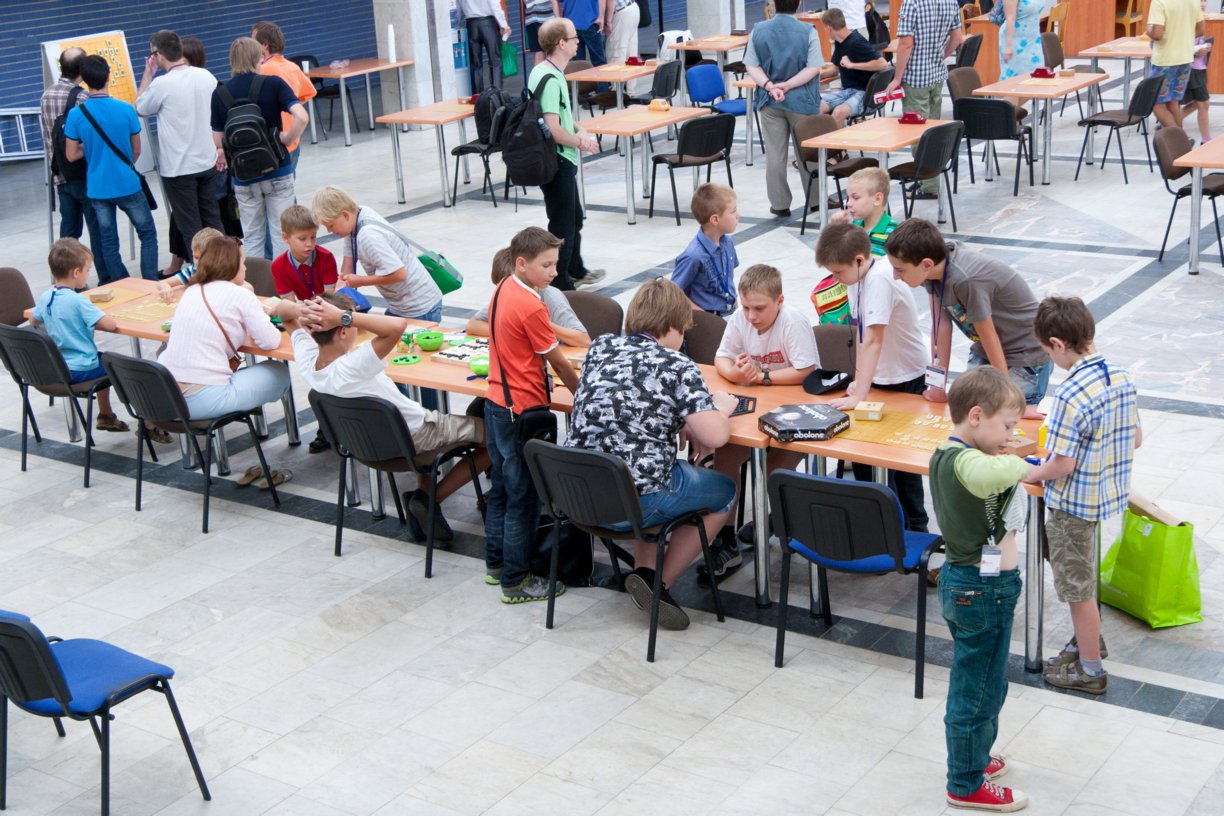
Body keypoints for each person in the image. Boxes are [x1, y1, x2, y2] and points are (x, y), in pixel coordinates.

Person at [568, 278, 739, 629]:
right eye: (684, 331)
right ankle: (658, 582)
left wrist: (679, 418)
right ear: (673, 326)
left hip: (581, 494)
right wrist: (720, 407)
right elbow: (717, 436)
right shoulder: (677, 365)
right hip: (636, 502)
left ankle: (644, 571)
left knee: (644, 469)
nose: (684, 338)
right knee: (724, 492)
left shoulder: (600, 347)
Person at [279, 293, 492, 543]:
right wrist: (341, 316)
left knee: (425, 416)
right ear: (343, 330)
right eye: (351, 321)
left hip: (368, 446)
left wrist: (309, 311)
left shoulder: (308, 362)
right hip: (418, 434)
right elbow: (397, 326)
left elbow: (283, 311)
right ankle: (430, 499)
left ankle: (422, 502)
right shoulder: (353, 365)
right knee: (501, 436)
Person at [1025, 296, 1141, 695]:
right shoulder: (1120, 375)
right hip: (1105, 493)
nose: (1049, 357)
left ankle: (1090, 670)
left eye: (1047, 351)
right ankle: (1090, 642)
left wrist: (1029, 471)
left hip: (1072, 504)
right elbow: (1136, 437)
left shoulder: (1071, 393)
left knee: (1078, 590)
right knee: (1083, 578)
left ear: (1058, 344)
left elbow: (1062, 464)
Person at [930, 366, 1032, 813]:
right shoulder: (967, 462)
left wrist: (1006, 450)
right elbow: (994, 475)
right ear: (975, 416)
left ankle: (975, 757)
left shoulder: (953, 452)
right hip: (981, 589)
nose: (1010, 436)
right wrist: (1026, 461)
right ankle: (965, 783)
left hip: (977, 586)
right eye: (1006, 426)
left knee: (987, 680)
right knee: (977, 691)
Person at [484, 227, 581, 603]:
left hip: (496, 402)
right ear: (521, 263)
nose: (554, 272)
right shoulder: (530, 304)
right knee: (523, 499)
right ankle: (515, 580)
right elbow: (558, 360)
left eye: (555, 264)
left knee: (501, 490)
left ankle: (496, 564)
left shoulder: (502, 289)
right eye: (546, 265)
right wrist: (582, 394)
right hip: (522, 411)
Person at [817, 223, 930, 532]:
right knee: (872, 458)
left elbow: (875, 339)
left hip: (904, 376)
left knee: (900, 461)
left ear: (858, 260)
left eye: (838, 272)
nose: (835, 279)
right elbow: (861, 333)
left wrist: (859, 393)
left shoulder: (879, 279)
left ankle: (911, 529)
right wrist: (860, 379)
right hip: (882, 375)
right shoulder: (856, 278)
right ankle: (888, 527)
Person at [708, 264, 819, 578]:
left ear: (779, 301)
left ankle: (783, 522)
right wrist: (734, 373)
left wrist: (762, 377)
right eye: (746, 307)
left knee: (774, 470)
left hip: (798, 414)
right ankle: (726, 537)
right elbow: (721, 357)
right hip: (758, 407)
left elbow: (806, 371)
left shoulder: (792, 322)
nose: (751, 316)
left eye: (759, 308)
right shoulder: (740, 318)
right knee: (725, 455)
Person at [884, 219, 1051, 415]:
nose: (895, 276)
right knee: (970, 411)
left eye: (900, 269)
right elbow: (940, 327)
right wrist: (937, 386)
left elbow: (989, 335)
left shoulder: (966, 280)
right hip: (987, 349)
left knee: (1004, 415)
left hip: (1024, 354)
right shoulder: (931, 270)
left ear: (926, 264)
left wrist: (1007, 396)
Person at [157, 235, 291, 428]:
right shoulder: (241, 295)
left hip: (166, 398)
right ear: (233, 265)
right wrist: (272, 313)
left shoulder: (191, 291)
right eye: (242, 263)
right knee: (279, 372)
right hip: (202, 399)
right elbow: (270, 341)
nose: (245, 268)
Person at [211, 37, 308, 260]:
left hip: (243, 176)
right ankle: (283, 281)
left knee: (252, 236)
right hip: (277, 168)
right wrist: (287, 138)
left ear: (231, 61)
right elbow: (302, 117)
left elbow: (218, 140)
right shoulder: (273, 84)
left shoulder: (220, 94)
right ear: (259, 58)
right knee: (282, 234)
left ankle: (256, 280)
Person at [63, 55, 159, 282]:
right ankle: (149, 281)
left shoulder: (76, 114)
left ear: (84, 81)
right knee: (147, 233)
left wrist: (91, 147)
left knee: (108, 240)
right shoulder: (126, 109)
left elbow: (71, 154)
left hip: (98, 187)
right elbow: (136, 150)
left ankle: (121, 283)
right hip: (127, 183)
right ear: (108, 76)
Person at [137, 30, 224, 267]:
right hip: (206, 160)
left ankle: (203, 272)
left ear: (159, 55)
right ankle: (224, 266)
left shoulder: (161, 84)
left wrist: (148, 74)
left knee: (190, 226)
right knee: (212, 218)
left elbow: (140, 107)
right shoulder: (206, 76)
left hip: (178, 167)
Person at [528, 18, 604, 290]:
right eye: (573, 38)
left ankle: (575, 269)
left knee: (574, 218)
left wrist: (579, 128)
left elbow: (562, 116)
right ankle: (561, 286)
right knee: (563, 227)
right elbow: (554, 129)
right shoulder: (550, 79)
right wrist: (580, 142)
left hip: (559, 157)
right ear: (561, 43)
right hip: (557, 160)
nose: (578, 41)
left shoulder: (546, 70)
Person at [30, 238, 129, 435]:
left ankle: (106, 414)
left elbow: (34, 320)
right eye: (88, 270)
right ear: (76, 273)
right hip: (80, 367)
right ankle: (147, 418)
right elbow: (110, 325)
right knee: (117, 363)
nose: (88, 274)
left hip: (58, 364)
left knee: (103, 358)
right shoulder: (78, 301)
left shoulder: (46, 296)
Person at [310, 186, 442, 323]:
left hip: (419, 307)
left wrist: (360, 281)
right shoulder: (357, 216)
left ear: (345, 215)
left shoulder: (368, 235)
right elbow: (347, 269)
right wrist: (336, 296)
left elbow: (399, 274)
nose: (329, 231)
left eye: (331, 225)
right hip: (401, 304)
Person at [743, 0, 826, 218]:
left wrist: (771, 86)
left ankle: (779, 204)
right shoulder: (808, 31)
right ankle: (816, 200)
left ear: (774, 4)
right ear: (799, 4)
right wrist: (787, 85)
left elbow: (751, 65)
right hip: (802, 101)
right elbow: (814, 67)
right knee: (808, 152)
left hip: (770, 101)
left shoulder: (758, 30)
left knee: (775, 154)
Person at [40, 47, 112, 284]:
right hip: (85, 174)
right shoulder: (83, 98)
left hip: (61, 174)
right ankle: (105, 278)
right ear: (82, 69)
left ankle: (64, 281)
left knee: (69, 233)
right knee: (97, 228)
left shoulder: (46, 96)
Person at [885, 0, 962, 198]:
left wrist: (897, 78)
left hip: (916, 78)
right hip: (936, 75)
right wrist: (940, 57)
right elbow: (957, 37)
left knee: (918, 136)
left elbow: (906, 43)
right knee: (934, 132)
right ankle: (931, 181)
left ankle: (928, 185)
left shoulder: (912, 3)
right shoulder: (950, 1)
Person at [466, 247, 591, 347]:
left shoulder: (551, 298)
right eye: (502, 289)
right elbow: (473, 325)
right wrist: (514, 333)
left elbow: (584, 340)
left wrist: (543, 324)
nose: (508, 294)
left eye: (512, 288)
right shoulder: (505, 295)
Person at [252, 21, 317, 173]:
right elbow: (309, 92)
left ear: (264, 45)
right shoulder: (292, 67)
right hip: (292, 138)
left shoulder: (262, 71)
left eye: (253, 41)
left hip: (272, 141)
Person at [670, 183, 740, 317]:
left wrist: (737, 311)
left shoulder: (728, 243)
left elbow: (729, 282)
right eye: (733, 211)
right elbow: (674, 292)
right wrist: (705, 318)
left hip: (730, 314)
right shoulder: (693, 255)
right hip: (707, 320)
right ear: (715, 220)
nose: (738, 215)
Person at [818, 8, 888, 126]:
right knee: (816, 108)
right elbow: (835, 68)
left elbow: (883, 64)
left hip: (864, 94)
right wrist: (817, 75)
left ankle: (835, 138)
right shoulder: (840, 42)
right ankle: (825, 137)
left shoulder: (857, 42)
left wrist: (852, 65)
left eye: (824, 28)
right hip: (847, 92)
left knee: (838, 112)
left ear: (829, 28)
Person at [1148, 0, 1205, 129]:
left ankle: (1178, 137)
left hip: (1165, 60)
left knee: (1155, 103)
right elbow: (1201, 30)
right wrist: (1182, 37)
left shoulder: (1159, 2)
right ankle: (1180, 141)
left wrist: (1149, 31)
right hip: (1185, 58)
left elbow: (1157, 34)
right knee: (1173, 103)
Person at [270, 205, 337, 302]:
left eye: (313, 237)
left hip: (326, 305)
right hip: (303, 307)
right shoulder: (278, 266)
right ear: (285, 238)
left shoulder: (326, 258)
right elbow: (290, 303)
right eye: (302, 239)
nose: (309, 244)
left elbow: (329, 298)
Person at [831, 167, 898, 256]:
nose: (848, 203)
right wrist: (836, 229)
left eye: (855, 197)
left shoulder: (895, 233)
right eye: (848, 197)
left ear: (877, 199)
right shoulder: (853, 227)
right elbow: (835, 256)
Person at [457, 0, 511, 94]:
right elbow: (494, 4)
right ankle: (496, 95)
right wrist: (504, 24)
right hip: (488, 23)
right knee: (495, 62)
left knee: (475, 65)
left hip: (471, 23)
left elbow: (459, 6)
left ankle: (477, 97)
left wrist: (457, 23)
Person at [157, 227, 225, 299]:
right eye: (196, 257)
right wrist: (165, 287)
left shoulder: (227, 271)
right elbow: (162, 283)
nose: (198, 262)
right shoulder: (193, 270)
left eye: (204, 258)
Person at [1180, 0, 1214, 143]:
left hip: (1199, 67)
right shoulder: (1186, 18)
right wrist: (1195, 50)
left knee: (1202, 103)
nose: (1202, 3)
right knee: (1203, 103)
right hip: (1191, 67)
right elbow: (1180, 44)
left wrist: (1204, 46)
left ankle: (1170, 123)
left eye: (1204, 0)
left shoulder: (1199, 17)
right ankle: (1206, 140)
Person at [998, 0, 1044, 80]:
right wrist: (1008, 46)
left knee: (1037, 74)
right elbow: (1010, 19)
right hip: (1015, 41)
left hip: (1033, 40)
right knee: (1015, 77)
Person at [565, 0, 608, 66]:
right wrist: (601, 17)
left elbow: (556, 3)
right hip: (590, 21)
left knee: (577, 64)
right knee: (599, 62)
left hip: (571, 23)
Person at [525, 0, 562, 65]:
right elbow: (553, 1)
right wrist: (558, 20)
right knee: (552, 51)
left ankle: (539, 72)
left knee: (538, 52)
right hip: (545, 17)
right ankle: (553, 71)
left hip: (530, 18)